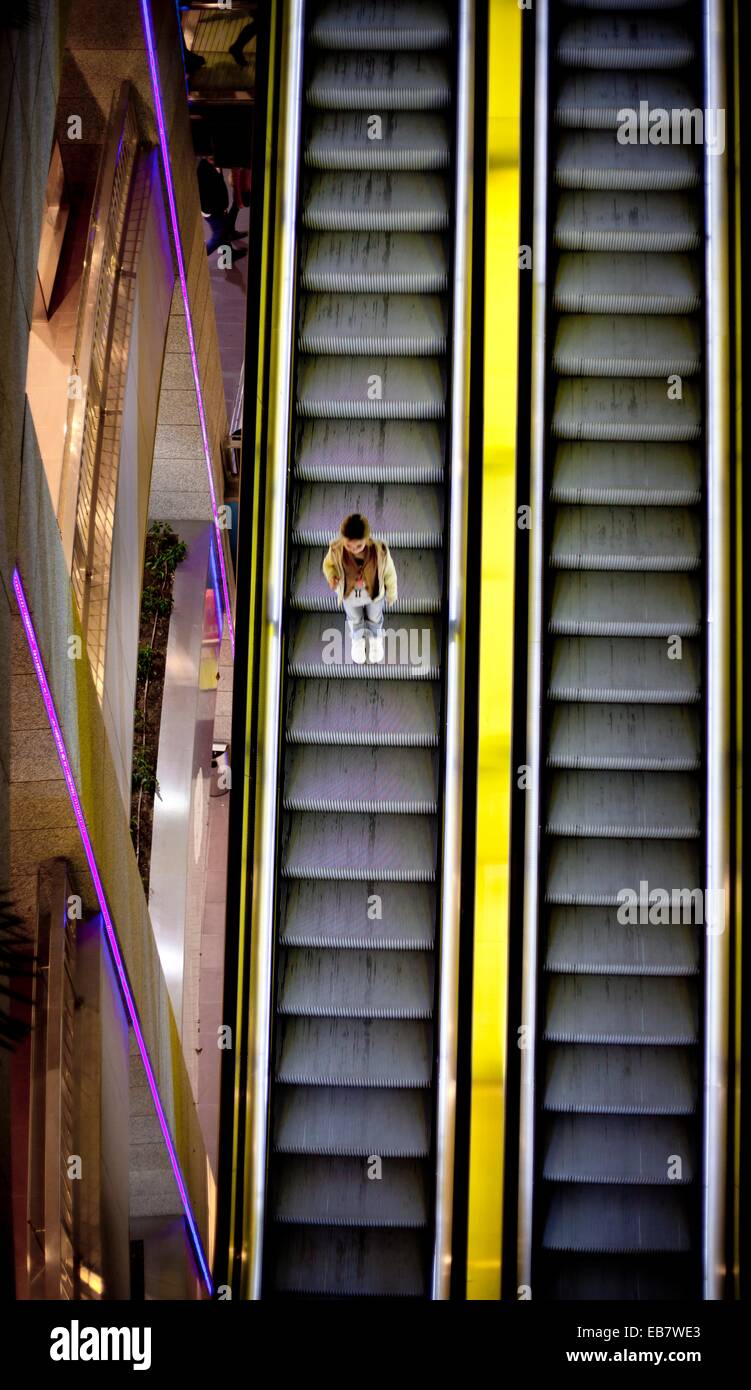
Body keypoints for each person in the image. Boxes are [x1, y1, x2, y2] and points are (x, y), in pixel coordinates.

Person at [323, 513, 398, 665]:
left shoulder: (379, 551)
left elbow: (390, 573)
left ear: (368, 540)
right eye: (348, 545)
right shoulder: (336, 550)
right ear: (342, 539)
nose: (354, 549)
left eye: (359, 545)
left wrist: (391, 594)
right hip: (349, 595)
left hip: (374, 594)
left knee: (375, 617)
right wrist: (332, 576)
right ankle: (358, 641)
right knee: (354, 619)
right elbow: (328, 565)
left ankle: (375, 639)